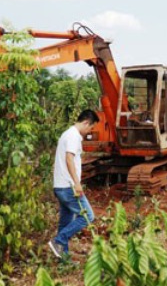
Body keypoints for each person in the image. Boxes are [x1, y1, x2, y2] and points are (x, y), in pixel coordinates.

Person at [48, 109, 99, 259]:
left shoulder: (66, 134)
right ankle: (59, 240)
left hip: (60, 186)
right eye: (91, 127)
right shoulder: (73, 136)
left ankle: (63, 259)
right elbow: (69, 159)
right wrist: (77, 184)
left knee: (65, 222)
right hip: (69, 187)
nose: (90, 131)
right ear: (86, 123)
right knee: (88, 215)